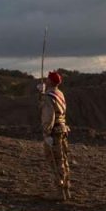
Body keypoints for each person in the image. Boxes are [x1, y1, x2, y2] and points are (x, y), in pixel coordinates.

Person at [39, 70, 71, 201]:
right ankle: (66, 189)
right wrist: (41, 94)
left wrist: (46, 133)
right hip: (62, 129)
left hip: (54, 131)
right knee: (63, 159)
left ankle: (59, 192)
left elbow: (48, 115)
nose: (46, 80)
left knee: (54, 160)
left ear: (50, 81)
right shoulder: (59, 93)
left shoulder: (48, 96)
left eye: (47, 78)